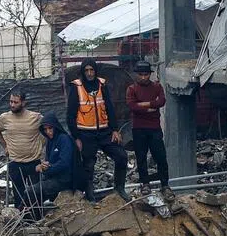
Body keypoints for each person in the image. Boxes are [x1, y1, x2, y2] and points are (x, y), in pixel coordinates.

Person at [67, 61, 129, 202]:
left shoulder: (102, 84)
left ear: (95, 71)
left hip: (104, 131)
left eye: (92, 70)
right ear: (83, 71)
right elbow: (70, 115)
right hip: (85, 133)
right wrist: (76, 137)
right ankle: (90, 195)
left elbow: (110, 108)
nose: (89, 73)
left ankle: (119, 188)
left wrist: (114, 129)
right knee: (88, 165)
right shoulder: (76, 87)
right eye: (87, 70)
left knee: (121, 156)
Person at [0, 88, 44, 211]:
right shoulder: (4, 118)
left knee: (35, 194)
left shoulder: (35, 117)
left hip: (34, 162)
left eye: (16, 102)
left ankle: (36, 220)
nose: (12, 105)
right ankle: (20, 221)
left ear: (23, 103)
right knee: (18, 194)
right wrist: (5, 146)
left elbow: (48, 129)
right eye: (11, 102)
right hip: (15, 162)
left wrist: (41, 144)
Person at [125, 60, 168, 194]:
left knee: (160, 157)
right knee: (141, 157)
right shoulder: (132, 89)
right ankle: (145, 184)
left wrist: (142, 105)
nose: (144, 77)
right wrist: (151, 105)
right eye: (141, 74)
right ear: (137, 75)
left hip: (154, 127)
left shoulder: (157, 87)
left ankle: (165, 185)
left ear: (150, 74)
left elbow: (161, 101)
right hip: (139, 128)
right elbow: (132, 106)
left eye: (146, 74)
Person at [27, 113, 75, 215]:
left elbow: (64, 163)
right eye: (45, 129)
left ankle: (33, 220)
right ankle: (37, 217)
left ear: (55, 127)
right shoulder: (50, 141)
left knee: (31, 191)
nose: (48, 132)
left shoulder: (64, 139)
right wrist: (44, 165)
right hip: (53, 177)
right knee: (32, 192)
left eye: (50, 128)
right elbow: (49, 161)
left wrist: (48, 168)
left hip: (64, 180)